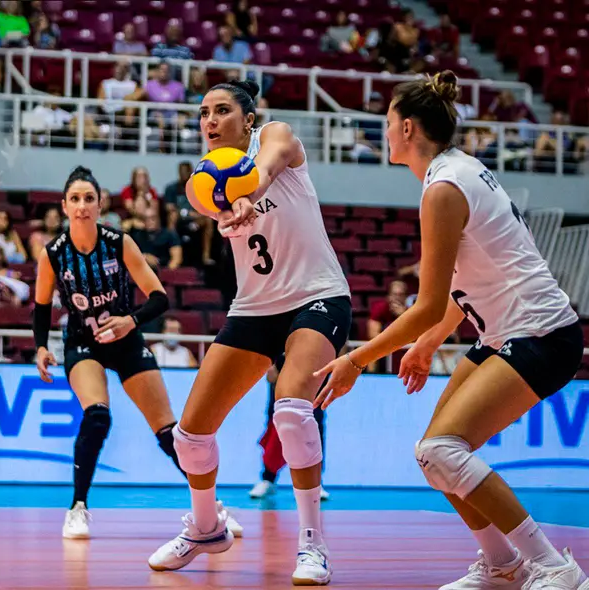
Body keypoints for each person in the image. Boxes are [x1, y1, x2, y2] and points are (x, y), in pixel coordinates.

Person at [313, 71, 589, 590]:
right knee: (432, 454)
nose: (385, 131)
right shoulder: (459, 171)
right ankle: (502, 565)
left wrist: (356, 358)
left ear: (409, 128)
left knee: (443, 449)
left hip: (541, 334)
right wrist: (429, 342)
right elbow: (468, 284)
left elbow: (428, 303)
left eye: (388, 122)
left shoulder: (443, 187)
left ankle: (553, 565)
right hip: (504, 333)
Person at [147, 80, 351, 587]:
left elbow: (269, 165)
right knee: (190, 435)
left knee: (291, 410)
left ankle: (313, 546)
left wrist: (247, 194)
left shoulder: (275, 137)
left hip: (316, 295)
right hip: (256, 306)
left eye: (221, 111)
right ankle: (205, 527)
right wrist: (225, 200)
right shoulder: (205, 179)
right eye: (202, 113)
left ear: (249, 120)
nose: (209, 121)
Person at [31, 166, 242, 540]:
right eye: (75, 199)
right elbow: (42, 306)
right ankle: (77, 508)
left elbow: (159, 298)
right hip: (84, 342)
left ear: (101, 205)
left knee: (169, 433)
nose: (82, 206)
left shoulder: (119, 242)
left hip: (126, 339)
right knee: (97, 416)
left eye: (89, 198)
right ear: (65, 207)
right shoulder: (53, 254)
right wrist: (41, 346)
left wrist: (130, 320)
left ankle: (212, 509)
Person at [249, 354, 329, 501]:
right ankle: (268, 478)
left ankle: (315, 483)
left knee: (313, 422)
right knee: (276, 419)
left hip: (315, 361)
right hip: (283, 362)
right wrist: (270, 363)